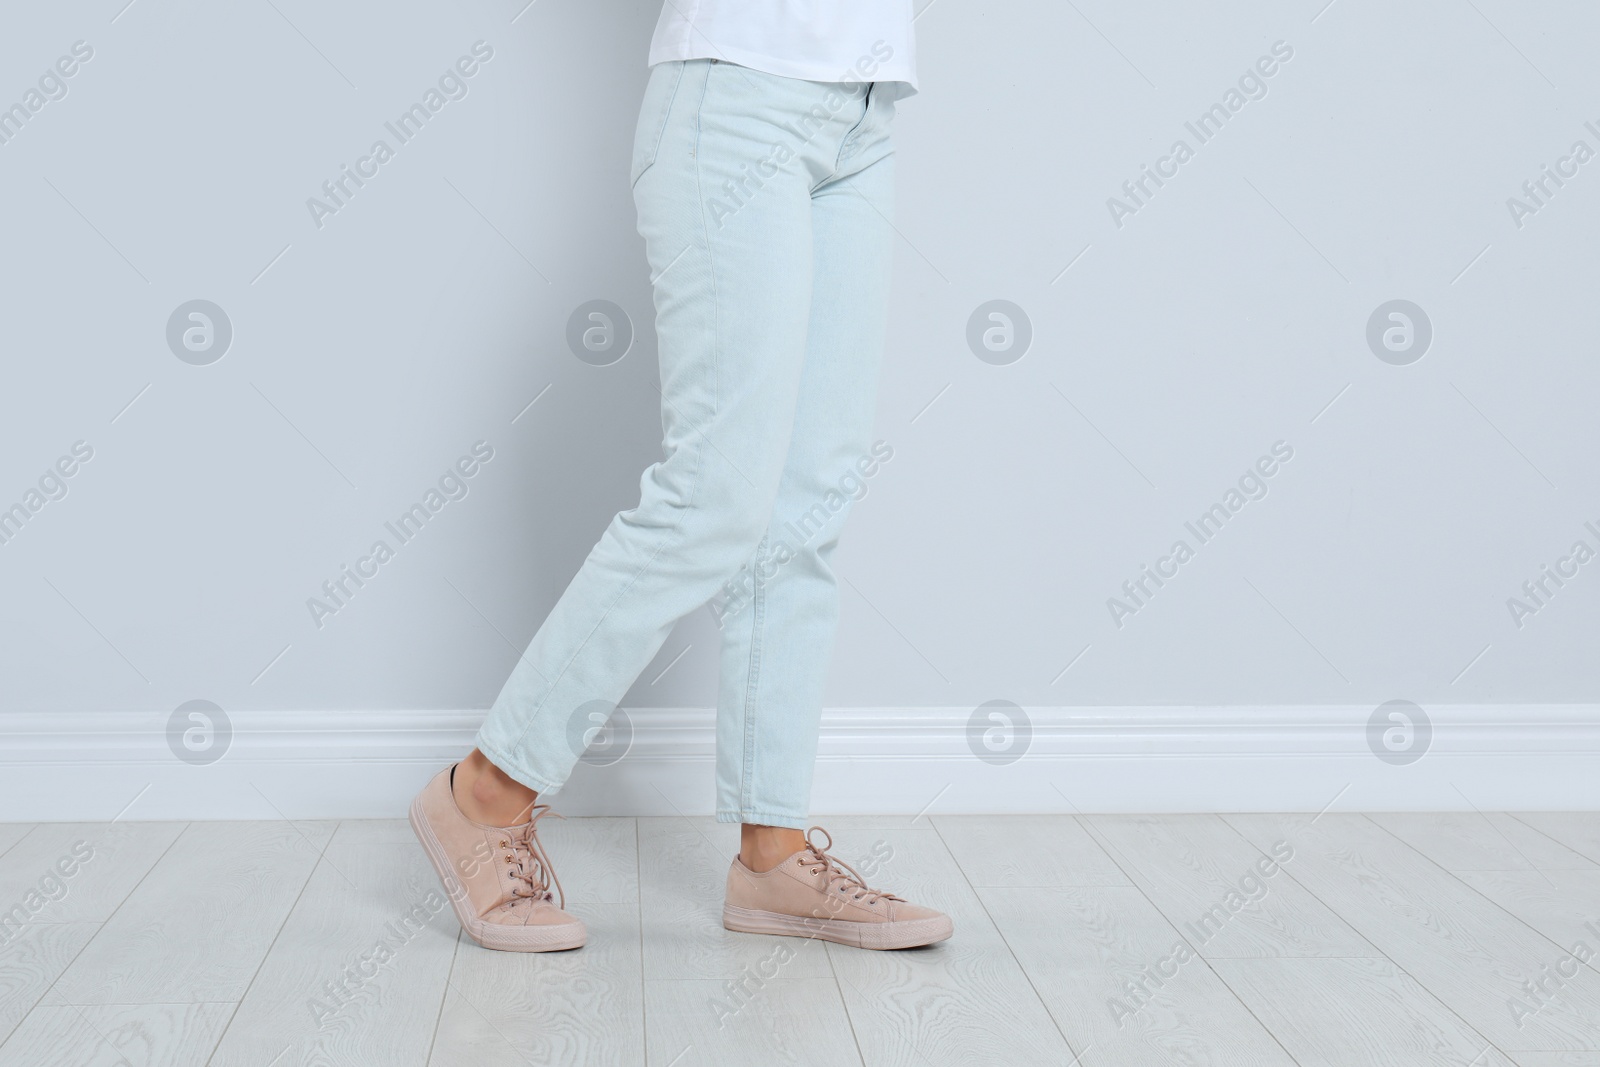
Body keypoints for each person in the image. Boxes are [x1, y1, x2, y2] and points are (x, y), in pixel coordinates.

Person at [409, 0, 951, 953]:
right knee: (715, 495)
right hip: (735, 95)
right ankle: (486, 791)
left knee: (805, 509)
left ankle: (773, 855)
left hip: (865, 109)